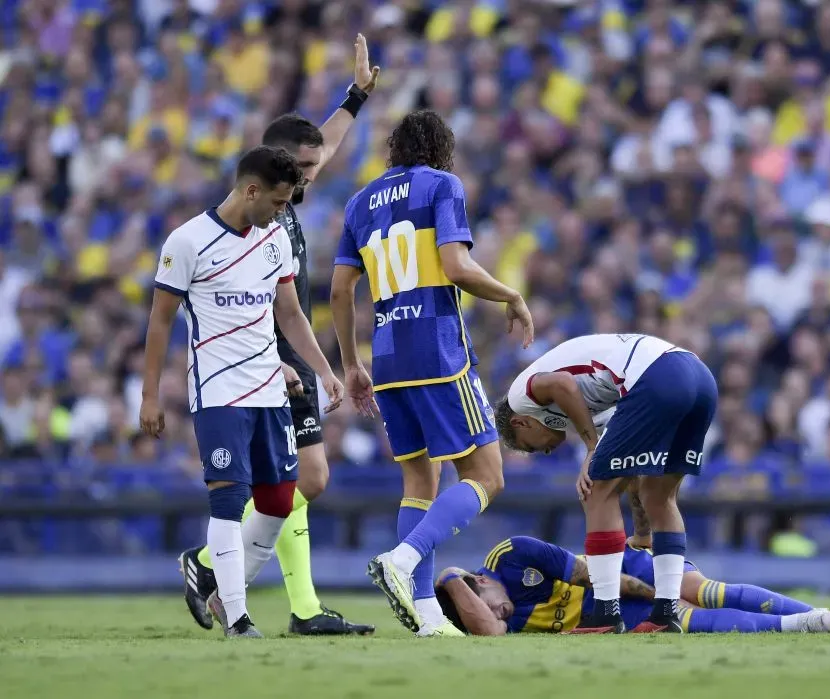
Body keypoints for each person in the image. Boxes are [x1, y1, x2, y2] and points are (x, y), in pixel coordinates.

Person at [177, 34, 379, 637]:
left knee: (307, 479)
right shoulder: (256, 209)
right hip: (260, 358)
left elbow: (329, 139)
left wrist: (357, 96)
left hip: (290, 349)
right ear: (278, 166)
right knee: (295, 478)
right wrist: (278, 360)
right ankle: (299, 606)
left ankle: (213, 566)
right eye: (306, 168)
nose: (315, 177)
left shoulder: (286, 193)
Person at [330, 109, 534, 636]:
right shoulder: (443, 185)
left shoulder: (358, 203)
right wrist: (510, 294)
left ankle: (424, 616)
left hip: (388, 357)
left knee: (419, 482)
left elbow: (338, 291)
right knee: (487, 475)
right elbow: (457, 268)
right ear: (442, 148)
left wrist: (352, 365)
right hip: (438, 353)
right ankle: (403, 559)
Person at [140, 145, 345, 638]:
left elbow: (290, 315)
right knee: (229, 500)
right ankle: (237, 617)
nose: (282, 212)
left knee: (277, 502)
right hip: (218, 390)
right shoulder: (188, 241)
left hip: (271, 390)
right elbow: (160, 319)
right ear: (251, 190)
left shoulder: (273, 240)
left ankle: (218, 588)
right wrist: (149, 395)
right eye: (278, 202)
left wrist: (322, 370)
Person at [493, 333, 717, 633]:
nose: (546, 450)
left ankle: (606, 612)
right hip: (699, 378)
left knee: (595, 491)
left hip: (656, 374)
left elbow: (563, 384)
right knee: (659, 496)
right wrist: (641, 530)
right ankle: (665, 613)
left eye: (532, 446)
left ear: (521, 423)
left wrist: (589, 448)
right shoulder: (593, 407)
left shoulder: (521, 396)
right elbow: (634, 472)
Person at [433, 536, 830, 635]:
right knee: (698, 623)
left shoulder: (512, 556)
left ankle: (809, 611)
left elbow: (597, 575)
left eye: (486, 602)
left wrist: (662, 594)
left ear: (482, 579)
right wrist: (450, 579)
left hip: (625, 571)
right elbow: (487, 631)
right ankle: (818, 623)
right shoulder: (486, 616)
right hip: (616, 612)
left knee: (706, 592)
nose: (495, 614)